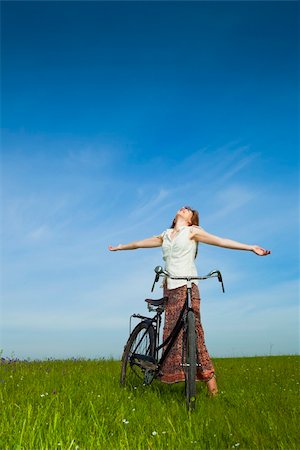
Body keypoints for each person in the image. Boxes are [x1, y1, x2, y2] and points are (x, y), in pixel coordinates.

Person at [109, 206, 271, 396]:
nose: (184, 209)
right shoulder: (166, 234)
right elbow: (139, 243)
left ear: (192, 220)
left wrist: (250, 247)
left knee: (195, 334)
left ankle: (214, 392)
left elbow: (220, 241)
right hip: (169, 287)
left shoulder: (193, 232)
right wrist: (120, 247)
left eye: (188, 211)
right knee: (171, 335)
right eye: (183, 208)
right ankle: (166, 371)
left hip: (188, 286)